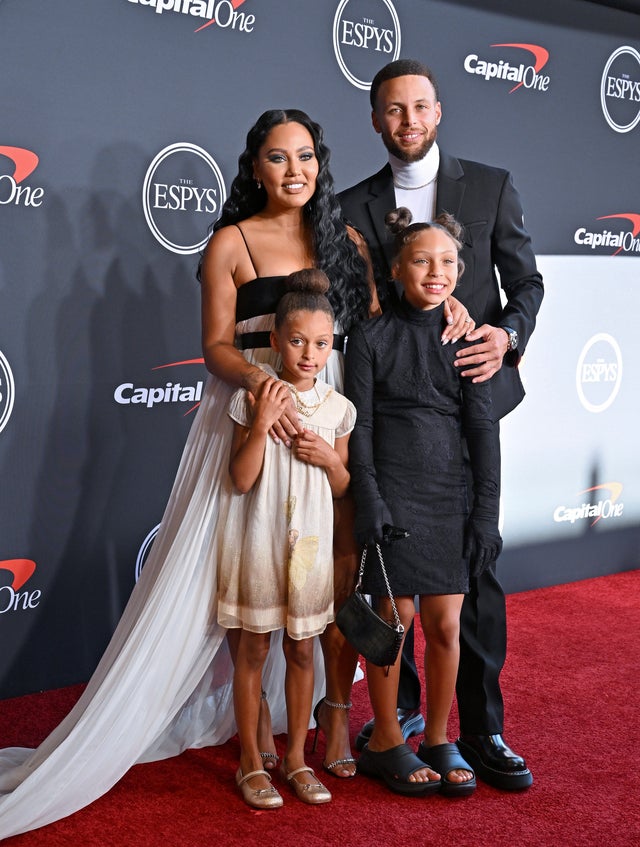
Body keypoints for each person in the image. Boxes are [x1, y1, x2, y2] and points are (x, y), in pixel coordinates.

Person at [0, 108, 374, 840]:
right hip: (246, 415)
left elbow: (366, 329)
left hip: (318, 427)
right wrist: (269, 393)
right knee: (239, 590)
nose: (293, 171)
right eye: (277, 157)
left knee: (305, 596)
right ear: (254, 166)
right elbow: (213, 346)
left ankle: (296, 746)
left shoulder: (345, 241)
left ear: (319, 163)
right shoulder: (231, 242)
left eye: (305, 157)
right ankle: (253, 756)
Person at [338, 59, 544, 790]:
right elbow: (345, 303)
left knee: (470, 571)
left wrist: (505, 334)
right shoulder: (353, 203)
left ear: (438, 110)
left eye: (420, 106)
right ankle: (410, 723)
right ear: (376, 120)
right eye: (393, 110)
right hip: (393, 404)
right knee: (397, 581)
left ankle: (482, 725)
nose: (408, 121)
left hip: (469, 390)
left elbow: (526, 282)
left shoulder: (488, 184)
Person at [345, 208, 502, 797]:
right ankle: (387, 738)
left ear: (459, 272)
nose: (435, 272)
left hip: (449, 495)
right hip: (391, 487)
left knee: (444, 622)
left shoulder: (469, 338)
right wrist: (370, 499)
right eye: (421, 260)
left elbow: (484, 433)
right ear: (396, 268)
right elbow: (358, 430)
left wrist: (485, 514)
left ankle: (438, 736)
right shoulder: (370, 337)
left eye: (447, 262)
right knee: (395, 620)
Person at [223, 269, 356, 808]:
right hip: (257, 541)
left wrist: (329, 458)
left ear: (332, 347)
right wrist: (262, 424)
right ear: (275, 340)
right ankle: (251, 762)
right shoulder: (251, 399)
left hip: (311, 550)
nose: (309, 354)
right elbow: (240, 478)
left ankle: (298, 758)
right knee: (253, 648)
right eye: (297, 341)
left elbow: (343, 485)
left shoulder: (339, 409)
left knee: (304, 651)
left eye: (321, 344)